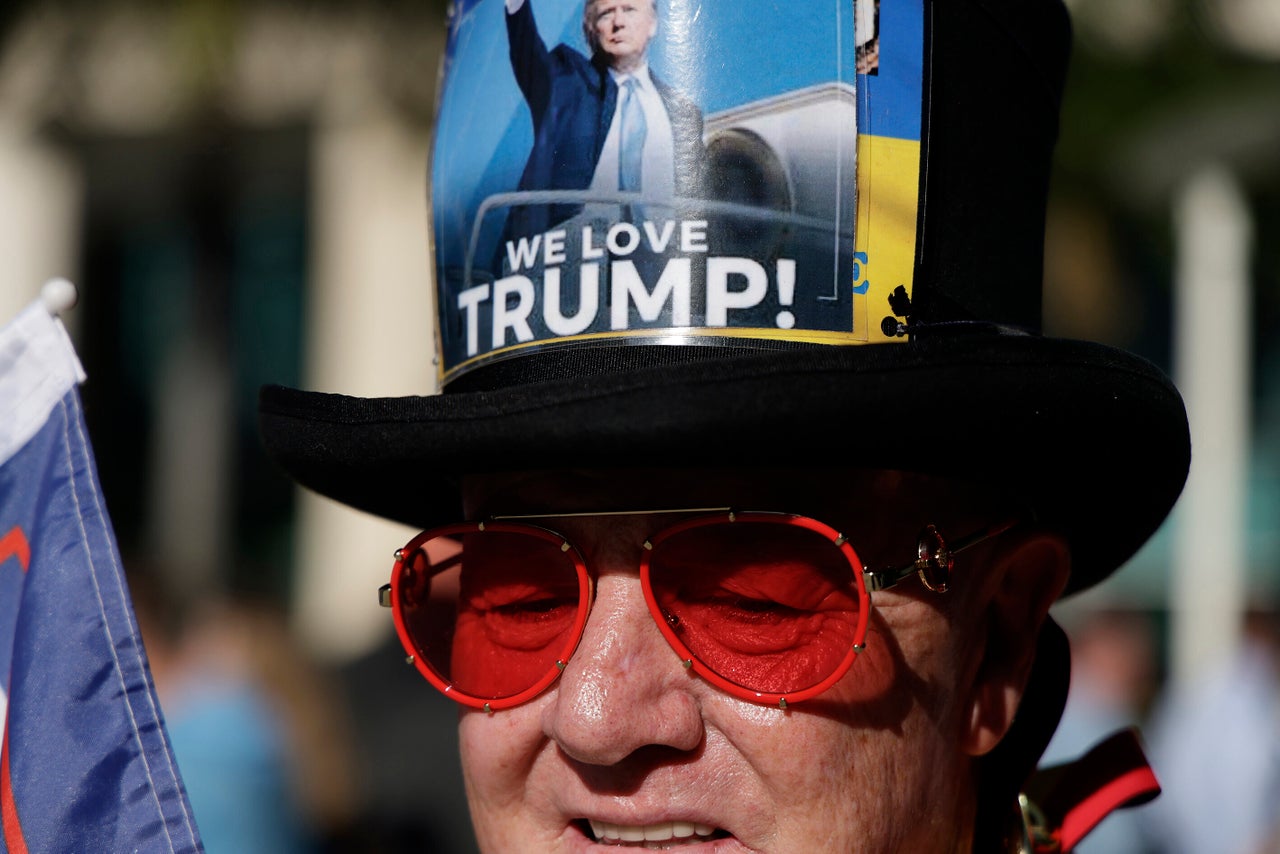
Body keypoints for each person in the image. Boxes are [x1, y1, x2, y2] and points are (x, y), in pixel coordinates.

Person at [258, 0, 1191, 850]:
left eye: (756, 593)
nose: (594, 717)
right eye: (518, 597)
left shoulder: (685, 120)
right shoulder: (563, 87)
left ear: (995, 646)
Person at [501, 0, 704, 249]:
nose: (618, 23)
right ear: (590, 30)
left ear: (652, 24)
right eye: (607, 14)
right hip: (573, 259)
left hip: (662, 261)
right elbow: (528, 55)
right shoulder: (565, 83)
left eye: (629, 10)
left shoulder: (683, 114)